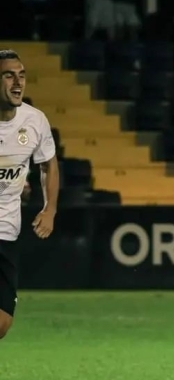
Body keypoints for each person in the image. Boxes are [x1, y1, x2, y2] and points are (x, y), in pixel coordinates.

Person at [0, 50, 59, 340]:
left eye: (21, 75)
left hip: (7, 233)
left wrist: (50, 209)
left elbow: (48, 163)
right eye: (8, 75)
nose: (17, 82)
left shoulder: (34, 121)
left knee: (2, 323)